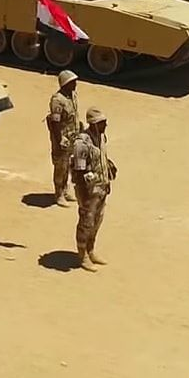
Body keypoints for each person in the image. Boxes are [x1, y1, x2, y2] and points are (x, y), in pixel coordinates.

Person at [70, 108, 115, 270]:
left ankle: (91, 250)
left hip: (101, 187)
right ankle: (82, 256)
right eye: (103, 123)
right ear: (94, 124)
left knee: (97, 220)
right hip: (88, 191)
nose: (106, 125)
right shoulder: (82, 144)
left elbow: (101, 158)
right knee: (86, 222)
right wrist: (85, 198)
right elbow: (79, 172)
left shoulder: (101, 138)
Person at [46, 71, 81, 204]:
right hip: (62, 138)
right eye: (72, 82)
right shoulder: (57, 100)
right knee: (60, 166)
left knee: (68, 165)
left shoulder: (73, 96)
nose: (75, 84)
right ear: (65, 84)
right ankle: (59, 193)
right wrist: (60, 139)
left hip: (73, 136)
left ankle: (65, 190)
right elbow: (55, 122)